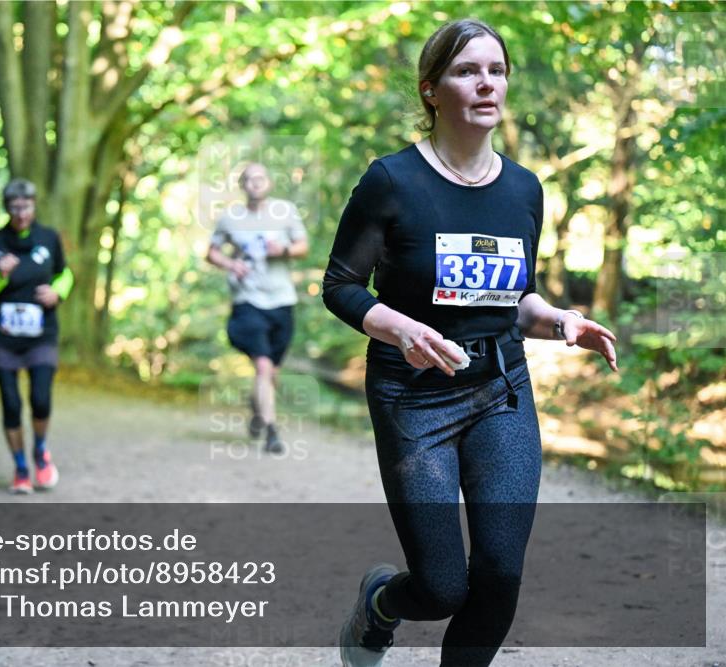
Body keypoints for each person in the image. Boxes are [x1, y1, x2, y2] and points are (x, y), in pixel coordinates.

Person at [322, 19, 618, 667]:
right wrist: (400, 327)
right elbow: (341, 285)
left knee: (500, 575)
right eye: (466, 71)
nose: (486, 83)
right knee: (440, 585)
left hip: (500, 392)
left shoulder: (523, 190)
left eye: (497, 70)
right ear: (432, 90)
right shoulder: (391, 182)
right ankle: (379, 604)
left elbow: (517, 299)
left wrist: (559, 320)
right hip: (413, 398)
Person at [0, 179, 71, 494]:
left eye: (26, 206)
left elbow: (65, 273)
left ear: (34, 205)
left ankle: (40, 450)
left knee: (40, 398)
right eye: (15, 207)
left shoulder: (49, 238)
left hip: (42, 334)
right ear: (7, 208)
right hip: (4, 337)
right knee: (11, 404)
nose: (21, 213)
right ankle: (21, 468)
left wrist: (58, 292)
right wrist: (0, 276)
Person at [206, 163, 309, 454]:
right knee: (262, 366)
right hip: (247, 300)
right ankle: (272, 432)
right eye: (249, 179)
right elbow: (211, 252)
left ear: (269, 183)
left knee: (271, 373)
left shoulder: (285, 212)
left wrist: (284, 250)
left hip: (282, 300)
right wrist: (230, 263)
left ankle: (258, 410)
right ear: (242, 185)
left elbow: (303, 246)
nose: (255, 183)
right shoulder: (230, 219)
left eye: (260, 178)